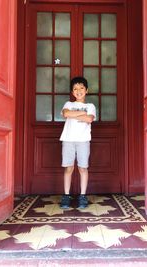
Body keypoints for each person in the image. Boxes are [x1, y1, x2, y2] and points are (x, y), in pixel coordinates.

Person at [59, 76, 96, 209]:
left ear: (87, 90)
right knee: (68, 168)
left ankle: (82, 195)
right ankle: (66, 195)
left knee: (83, 168)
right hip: (68, 140)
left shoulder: (90, 106)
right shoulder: (68, 104)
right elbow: (65, 114)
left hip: (83, 140)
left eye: (81, 88)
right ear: (72, 91)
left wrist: (74, 114)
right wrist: (81, 114)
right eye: (75, 88)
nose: (78, 91)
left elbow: (89, 119)